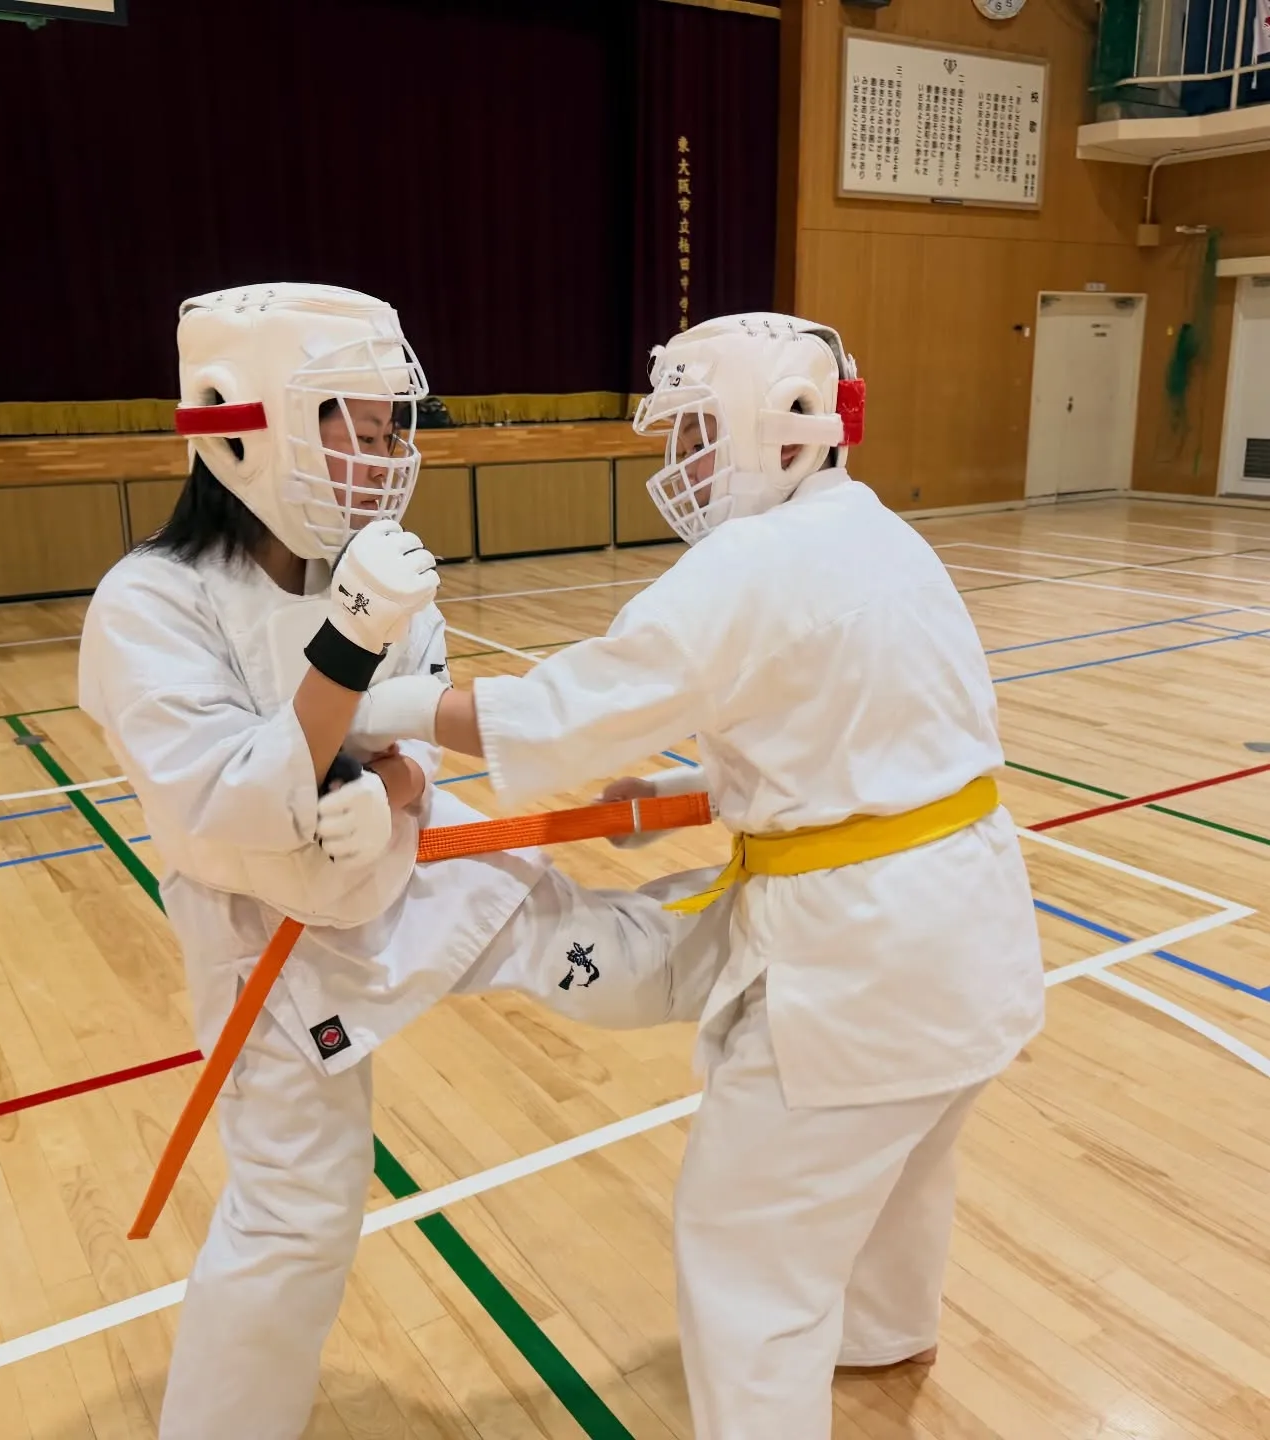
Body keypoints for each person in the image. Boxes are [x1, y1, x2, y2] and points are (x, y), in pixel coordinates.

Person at [346, 311, 1047, 1439]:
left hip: (864, 958)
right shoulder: (875, 533)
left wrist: (374, 702)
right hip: (969, 925)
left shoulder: (755, 560)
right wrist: (696, 797)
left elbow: (563, 715)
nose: (681, 468)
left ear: (780, 432)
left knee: (747, 1247)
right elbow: (857, 736)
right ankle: (883, 1332)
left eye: (698, 436)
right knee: (906, 1163)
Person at [76, 284, 723, 1440]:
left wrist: (395, 792)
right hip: (268, 951)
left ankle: (782, 951)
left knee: (622, 961)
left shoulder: (372, 572)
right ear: (243, 424)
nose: (380, 463)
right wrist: (350, 651)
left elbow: (399, 733)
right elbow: (238, 808)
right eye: (354, 430)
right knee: (297, 1217)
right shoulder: (149, 606)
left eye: (390, 433)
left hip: (412, 880)